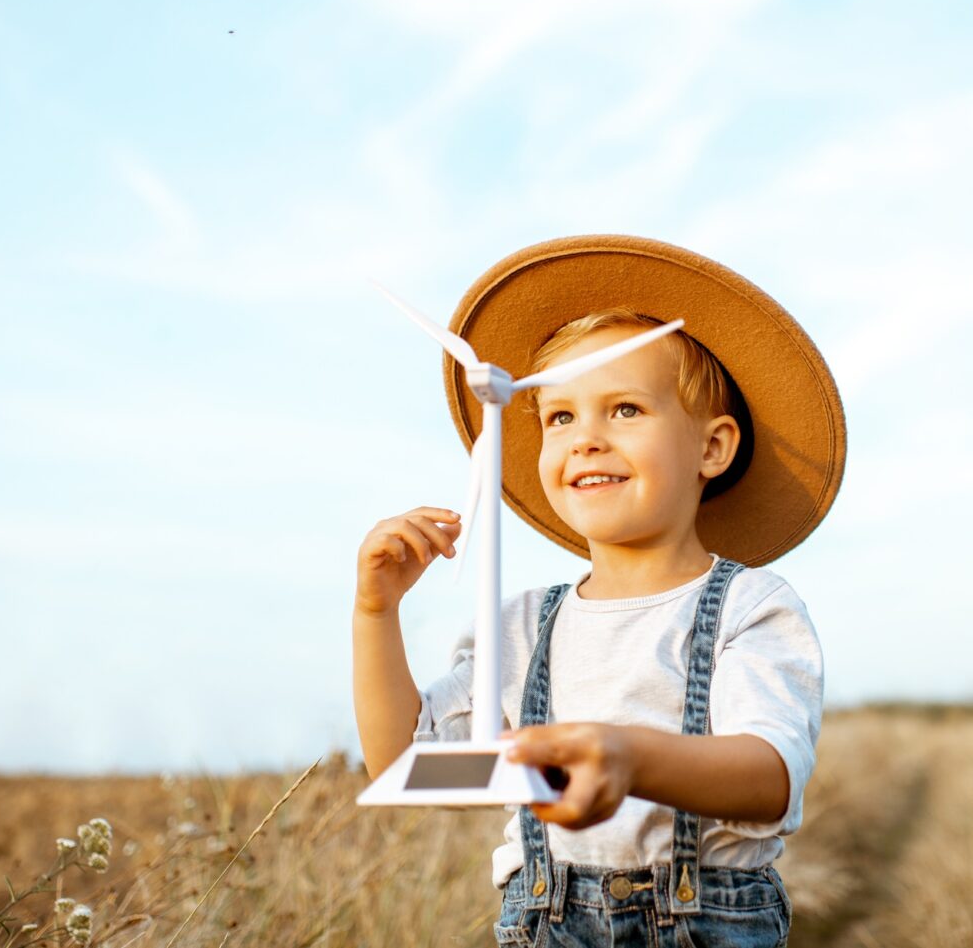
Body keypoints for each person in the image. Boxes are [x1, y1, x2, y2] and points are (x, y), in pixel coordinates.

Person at [352, 235, 847, 946]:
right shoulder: (524, 624)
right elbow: (406, 762)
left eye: (623, 409)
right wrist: (377, 612)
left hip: (705, 922)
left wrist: (630, 757)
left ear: (712, 447)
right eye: (560, 416)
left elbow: (771, 775)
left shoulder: (750, 607)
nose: (586, 437)